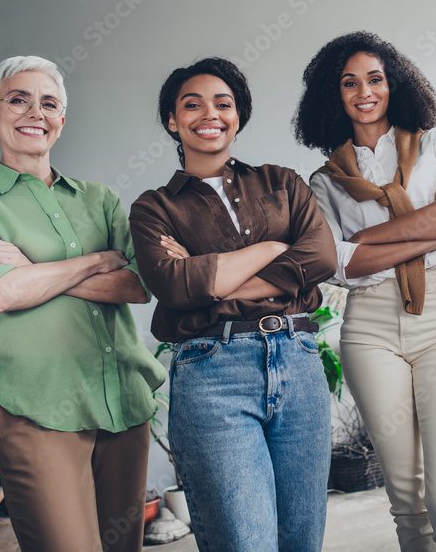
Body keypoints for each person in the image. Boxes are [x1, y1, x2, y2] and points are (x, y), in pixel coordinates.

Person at [0, 56, 166, 552]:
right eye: (17, 99)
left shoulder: (99, 198)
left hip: (121, 399)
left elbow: (139, 284)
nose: (34, 113)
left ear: (61, 121)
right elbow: (0, 293)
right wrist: (98, 260)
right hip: (34, 406)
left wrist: (30, 267)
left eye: (49, 104)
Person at [128, 57, 336, 552]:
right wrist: (272, 250)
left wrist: (212, 276)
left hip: (299, 362)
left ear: (238, 116)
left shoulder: (282, 182)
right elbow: (173, 287)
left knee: (302, 539)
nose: (210, 114)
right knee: (245, 541)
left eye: (224, 103)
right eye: (192, 104)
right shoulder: (154, 207)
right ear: (172, 121)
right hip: (213, 371)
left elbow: (322, 256)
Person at [294, 31, 436, 552]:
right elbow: (334, 263)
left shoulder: (433, 142)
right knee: (409, 505)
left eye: (375, 79)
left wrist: (364, 240)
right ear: (332, 94)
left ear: (394, 83)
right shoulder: (325, 181)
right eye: (349, 82)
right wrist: (429, 226)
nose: (365, 92)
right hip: (368, 331)